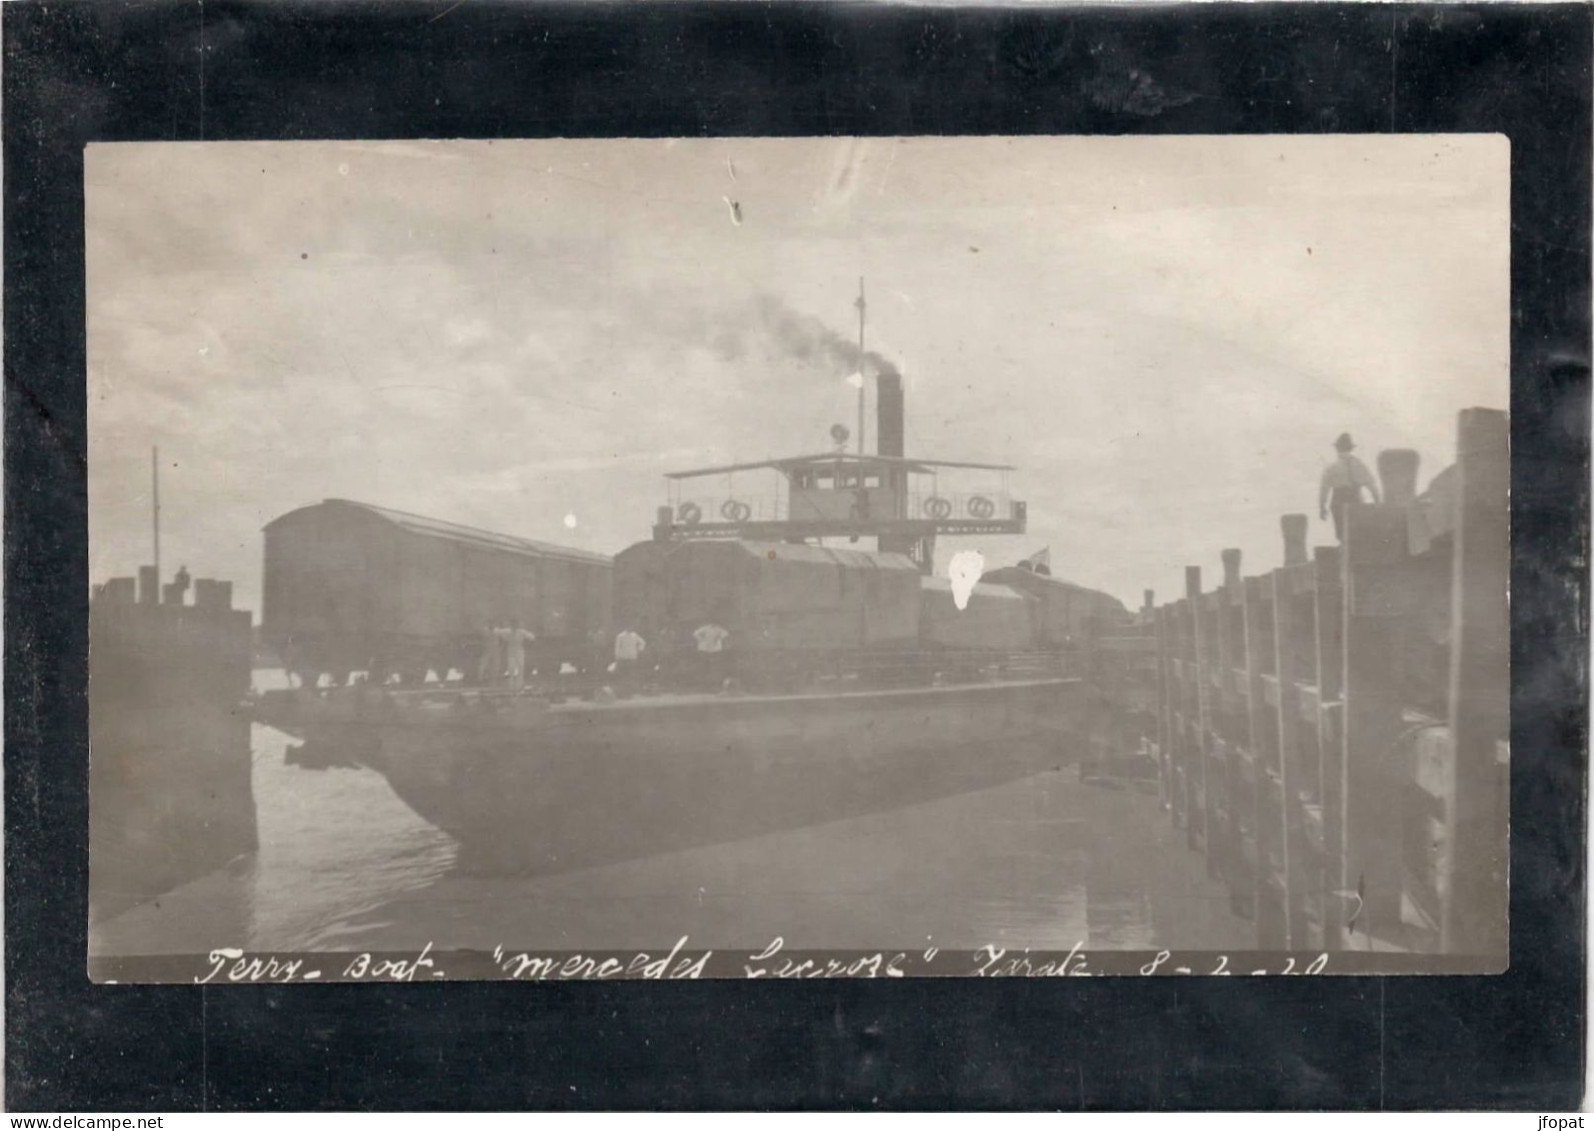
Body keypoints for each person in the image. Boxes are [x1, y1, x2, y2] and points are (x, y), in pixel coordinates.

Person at [1318, 432, 1381, 542]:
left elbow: (1324, 489)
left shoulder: (1331, 467)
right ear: (1350, 448)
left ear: (1337, 449)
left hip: (1338, 500)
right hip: (1355, 499)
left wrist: (1322, 508)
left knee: (1342, 534)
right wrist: (1377, 501)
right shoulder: (1359, 464)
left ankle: (1344, 551)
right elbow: (1371, 484)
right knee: (1357, 533)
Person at [692, 621, 730, 690]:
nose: (713, 624)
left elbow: (725, 634)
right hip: (704, 649)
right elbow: (695, 634)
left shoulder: (719, 629)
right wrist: (702, 639)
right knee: (704, 667)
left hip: (715, 650)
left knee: (714, 667)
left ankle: (714, 684)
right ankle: (703, 684)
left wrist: (719, 638)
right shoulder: (704, 628)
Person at [503, 619, 536, 691]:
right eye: (513, 624)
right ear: (511, 625)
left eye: (516, 624)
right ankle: (511, 686)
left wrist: (529, 638)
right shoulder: (507, 631)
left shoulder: (521, 632)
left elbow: (532, 637)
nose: (514, 626)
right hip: (511, 651)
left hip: (519, 651)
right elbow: (497, 632)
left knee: (521, 668)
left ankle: (519, 685)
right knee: (511, 669)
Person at [613, 626, 646, 696]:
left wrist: (639, 650)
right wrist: (617, 657)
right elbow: (617, 647)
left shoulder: (635, 635)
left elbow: (643, 642)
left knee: (631, 675)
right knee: (623, 675)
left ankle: (631, 691)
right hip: (623, 658)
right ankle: (623, 691)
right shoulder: (620, 636)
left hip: (632, 658)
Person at [478, 621, 503, 687]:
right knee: (483, 664)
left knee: (496, 665)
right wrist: (483, 647)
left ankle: (494, 681)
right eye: (490, 623)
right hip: (487, 649)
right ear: (488, 624)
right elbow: (482, 639)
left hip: (496, 649)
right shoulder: (485, 630)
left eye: (493, 623)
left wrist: (500, 648)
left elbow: (502, 640)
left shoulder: (498, 630)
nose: (491, 625)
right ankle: (480, 679)